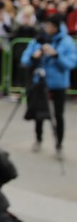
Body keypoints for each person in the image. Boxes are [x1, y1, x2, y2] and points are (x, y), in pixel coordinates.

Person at [20, 14, 77, 159]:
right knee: (39, 113)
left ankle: (59, 145)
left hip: (58, 83)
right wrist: (35, 56)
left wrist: (56, 55)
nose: (47, 28)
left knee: (58, 115)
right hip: (40, 81)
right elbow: (25, 59)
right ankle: (38, 139)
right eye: (46, 25)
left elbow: (72, 63)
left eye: (50, 26)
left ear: (57, 27)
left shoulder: (67, 41)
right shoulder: (39, 39)